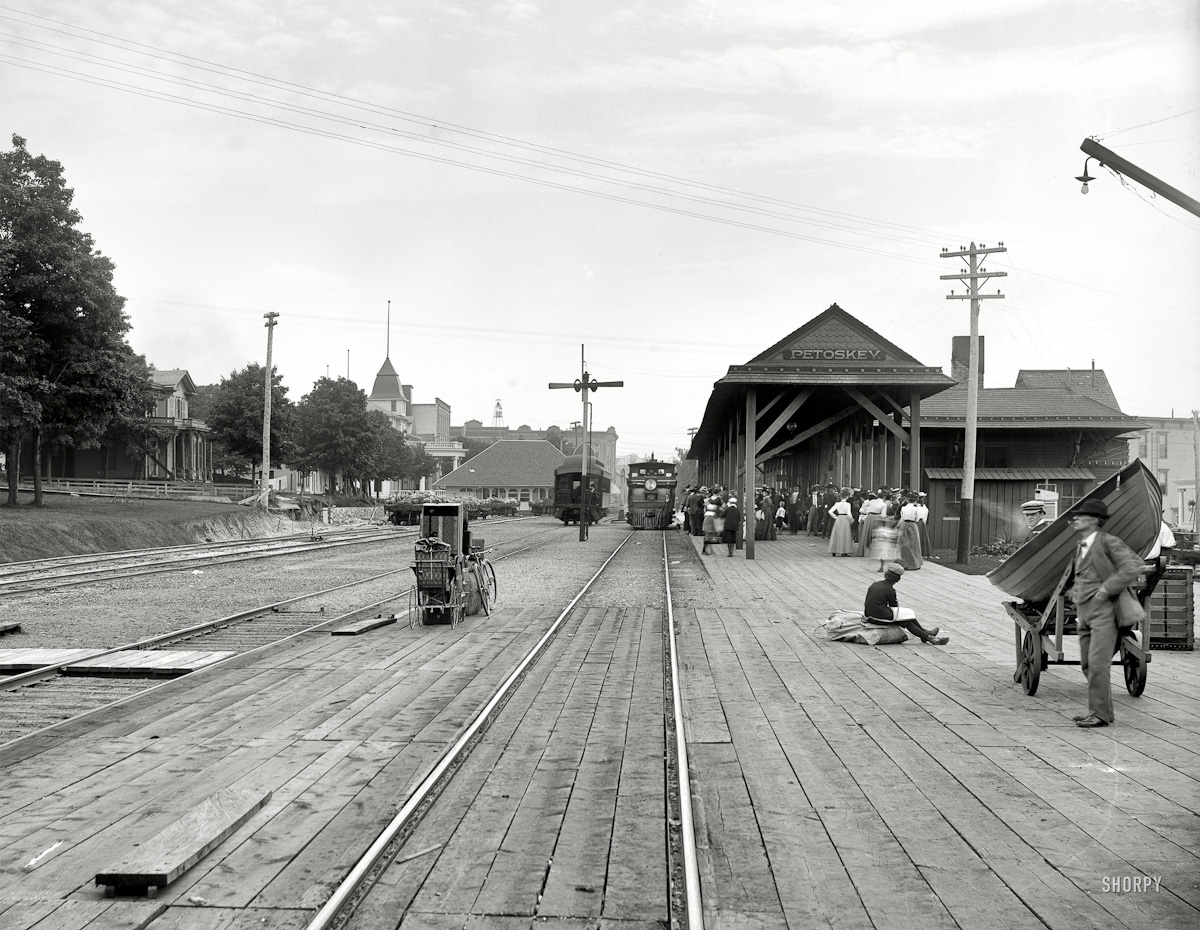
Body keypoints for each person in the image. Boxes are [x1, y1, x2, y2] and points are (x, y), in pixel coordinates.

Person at [1065, 499, 1145, 728]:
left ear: (1093, 520)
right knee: (1088, 665)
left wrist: (1107, 588)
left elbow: (1133, 566)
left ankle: (1098, 715)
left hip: (1105, 614)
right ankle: (1102, 712)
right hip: (1085, 612)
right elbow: (1084, 575)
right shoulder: (1081, 544)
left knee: (1098, 664)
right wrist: (1075, 591)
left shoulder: (1109, 541)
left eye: (1081, 516)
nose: (1076, 519)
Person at [864, 564, 948, 644]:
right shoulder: (890, 590)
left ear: (885, 575)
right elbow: (894, 607)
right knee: (907, 621)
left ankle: (925, 633)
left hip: (869, 614)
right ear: (897, 580)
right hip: (877, 618)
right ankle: (928, 637)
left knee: (908, 616)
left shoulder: (875, 584)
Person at [1141, 516, 1176, 602]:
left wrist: (1161, 568)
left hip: (1150, 563)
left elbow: (1166, 548)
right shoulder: (1161, 525)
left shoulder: (1161, 526)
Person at [897, 494, 923, 570]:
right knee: (914, 544)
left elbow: (901, 517)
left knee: (903, 544)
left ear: (907, 500)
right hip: (912, 525)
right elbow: (917, 518)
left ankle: (904, 563)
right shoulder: (916, 509)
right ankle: (914, 563)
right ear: (915, 501)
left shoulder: (904, 508)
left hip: (904, 525)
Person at [827, 488, 854, 556]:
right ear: (847, 496)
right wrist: (851, 519)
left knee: (836, 534)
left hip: (839, 518)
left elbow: (830, 511)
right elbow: (849, 513)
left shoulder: (837, 504)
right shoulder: (848, 504)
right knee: (845, 535)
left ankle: (834, 550)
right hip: (845, 519)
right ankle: (844, 551)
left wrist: (835, 517)